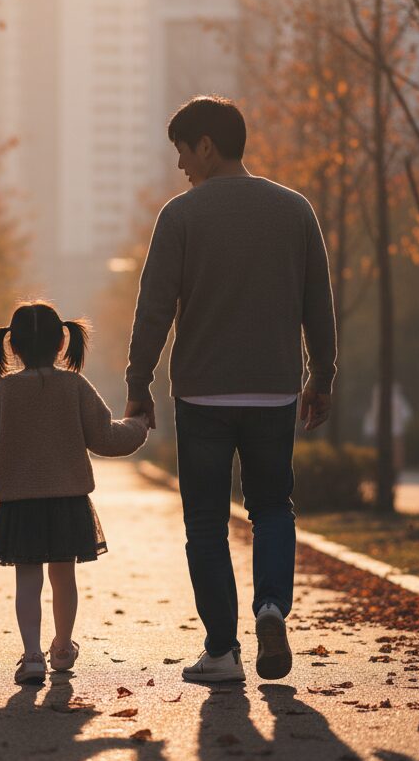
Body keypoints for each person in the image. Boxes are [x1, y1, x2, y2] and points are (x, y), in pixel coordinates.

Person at [124, 95, 336, 684]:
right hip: (274, 391)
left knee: (206, 524)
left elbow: (154, 310)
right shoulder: (295, 211)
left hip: (203, 397)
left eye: (183, 151)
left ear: (207, 146)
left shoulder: (181, 216)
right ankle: (271, 607)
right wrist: (322, 376)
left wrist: (138, 384)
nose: (180, 165)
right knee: (272, 507)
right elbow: (318, 305)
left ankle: (222, 651)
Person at [0, 301, 149, 685]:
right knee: (64, 578)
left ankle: (31, 656)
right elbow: (106, 437)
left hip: (19, 505)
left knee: (27, 580)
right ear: (62, 343)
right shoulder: (74, 386)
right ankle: (62, 647)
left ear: (12, 347)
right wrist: (138, 425)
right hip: (68, 502)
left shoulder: (4, 391)